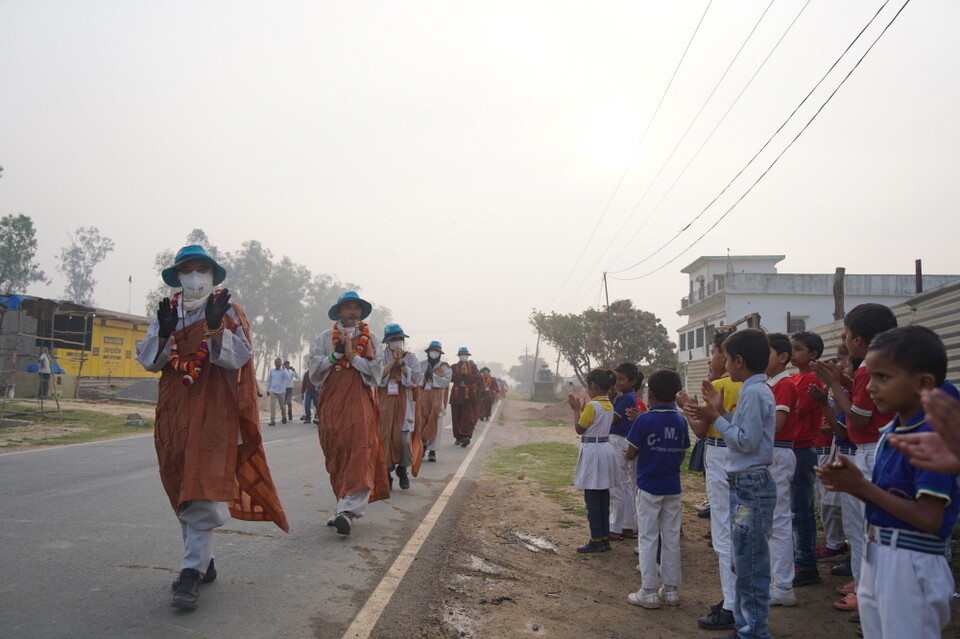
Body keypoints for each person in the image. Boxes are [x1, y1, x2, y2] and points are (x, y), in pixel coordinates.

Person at [136, 244, 288, 611]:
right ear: (177, 276)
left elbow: (238, 358)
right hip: (175, 411)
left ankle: (190, 572)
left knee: (202, 488)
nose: (194, 277)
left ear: (212, 274)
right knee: (182, 484)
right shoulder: (167, 311)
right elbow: (149, 362)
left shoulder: (228, 309)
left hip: (215, 411)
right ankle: (204, 561)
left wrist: (218, 327)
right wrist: (164, 333)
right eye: (187, 270)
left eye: (201, 269)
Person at [816, 325, 960, 638]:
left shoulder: (930, 438)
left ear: (923, 384)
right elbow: (892, 498)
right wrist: (854, 484)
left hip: (912, 561)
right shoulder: (894, 430)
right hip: (880, 551)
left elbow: (930, 518)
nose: (870, 387)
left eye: (883, 377)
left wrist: (862, 487)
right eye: (871, 376)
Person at [686, 329, 776, 639]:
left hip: (750, 484)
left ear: (738, 361)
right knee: (745, 560)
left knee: (749, 564)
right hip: (748, 483)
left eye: (725, 358)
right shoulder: (757, 390)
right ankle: (746, 626)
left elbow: (745, 441)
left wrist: (715, 418)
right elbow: (747, 431)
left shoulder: (753, 393)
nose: (723, 364)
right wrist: (721, 411)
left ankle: (752, 631)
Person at [812, 303, 897, 613]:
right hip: (878, 449)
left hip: (869, 451)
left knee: (865, 529)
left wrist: (835, 385)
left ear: (858, 340)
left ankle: (866, 591)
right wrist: (843, 383)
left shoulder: (866, 370)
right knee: (866, 527)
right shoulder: (884, 366)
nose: (845, 341)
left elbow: (860, 417)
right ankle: (865, 586)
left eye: (846, 335)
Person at [308, 291, 389, 536]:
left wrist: (353, 357)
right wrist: (335, 356)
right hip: (332, 402)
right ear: (339, 312)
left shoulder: (371, 338)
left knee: (361, 450)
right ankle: (341, 506)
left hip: (359, 401)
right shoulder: (325, 337)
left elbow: (375, 373)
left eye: (356, 308)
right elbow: (314, 370)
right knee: (337, 452)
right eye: (348, 308)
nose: (353, 312)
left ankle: (349, 511)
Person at [685, 327, 742, 632]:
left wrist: (688, 406)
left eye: (714, 352)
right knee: (741, 530)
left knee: (723, 533)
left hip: (722, 456)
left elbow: (701, 430)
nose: (711, 359)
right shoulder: (757, 387)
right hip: (744, 459)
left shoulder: (717, 387)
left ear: (728, 356)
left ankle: (731, 604)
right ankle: (736, 600)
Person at [624, 368, 688, 609]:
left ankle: (648, 591)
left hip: (649, 485)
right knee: (670, 537)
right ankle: (671, 590)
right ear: (676, 393)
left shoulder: (644, 419)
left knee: (648, 537)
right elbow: (681, 453)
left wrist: (635, 452)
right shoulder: (681, 420)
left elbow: (631, 453)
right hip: (672, 485)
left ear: (650, 393)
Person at [787, 331, 827, 587]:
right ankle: (799, 559)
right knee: (795, 508)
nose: (792, 353)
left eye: (798, 349)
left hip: (802, 448)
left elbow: (794, 409)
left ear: (813, 355)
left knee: (801, 509)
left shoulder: (811, 380)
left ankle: (806, 564)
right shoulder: (796, 378)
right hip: (794, 447)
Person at [567, 368, 620, 553]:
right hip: (604, 449)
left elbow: (580, 428)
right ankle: (604, 538)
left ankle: (596, 539)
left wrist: (576, 410)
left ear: (593, 386)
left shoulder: (592, 406)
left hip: (593, 451)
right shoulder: (608, 404)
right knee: (603, 496)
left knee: (592, 498)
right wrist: (582, 410)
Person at [764, 334, 799, 606]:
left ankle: (784, 585)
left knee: (778, 520)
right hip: (773, 452)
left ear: (783, 357)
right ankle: (778, 581)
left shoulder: (784, 384)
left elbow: (776, 423)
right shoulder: (770, 384)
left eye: (768, 352)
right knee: (774, 520)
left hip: (778, 450)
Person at [379, 323, 421, 490]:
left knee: (403, 440)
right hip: (385, 402)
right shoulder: (380, 356)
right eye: (393, 339)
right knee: (385, 438)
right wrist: (392, 363)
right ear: (387, 342)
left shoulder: (410, 358)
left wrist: (402, 364)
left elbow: (415, 379)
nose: (397, 342)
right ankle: (386, 472)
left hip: (404, 402)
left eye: (399, 339)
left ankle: (402, 468)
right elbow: (376, 377)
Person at [608, 362, 644, 542]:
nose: (617, 382)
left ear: (632, 381)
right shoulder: (630, 397)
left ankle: (615, 528)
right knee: (625, 484)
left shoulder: (625, 399)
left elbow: (611, 419)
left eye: (621, 379)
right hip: (624, 441)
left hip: (618, 440)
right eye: (617, 378)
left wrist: (607, 401)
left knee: (617, 485)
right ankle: (628, 526)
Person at [416, 341, 451, 462]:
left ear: (440, 353)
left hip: (437, 399)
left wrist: (433, 376)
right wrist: (426, 375)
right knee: (421, 423)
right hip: (422, 397)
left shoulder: (445, 367)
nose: (434, 353)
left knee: (436, 424)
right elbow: (416, 377)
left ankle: (432, 451)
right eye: (432, 351)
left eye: (436, 351)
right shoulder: (421, 364)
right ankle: (421, 447)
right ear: (428, 352)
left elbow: (446, 381)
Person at [450, 347, 481, 447]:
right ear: (459, 356)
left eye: (465, 355)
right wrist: (461, 374)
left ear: (468, 356)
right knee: (456, 416)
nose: (464, 356)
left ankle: (466, 436)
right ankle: (458, 437)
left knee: (467, 416)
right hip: (456, 395)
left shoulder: (473, 367)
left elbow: (477, 378)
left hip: (468, 395)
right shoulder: (453, 367)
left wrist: (467, 374)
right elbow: (450, 378)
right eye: (462, 355)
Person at [266, 358, 287, 426]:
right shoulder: (272, 371)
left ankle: (284, 417)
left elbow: (287, 377)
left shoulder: (283, 371)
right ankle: (272, 420)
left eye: (279, 363)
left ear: (281, 364)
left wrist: (284, 369)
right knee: (272, 406)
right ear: (275, 363)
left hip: (281, 391)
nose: (278, 364)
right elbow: (269, 380)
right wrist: (267, 389)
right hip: (273, 391)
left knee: (282, 406)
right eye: (277, 362)